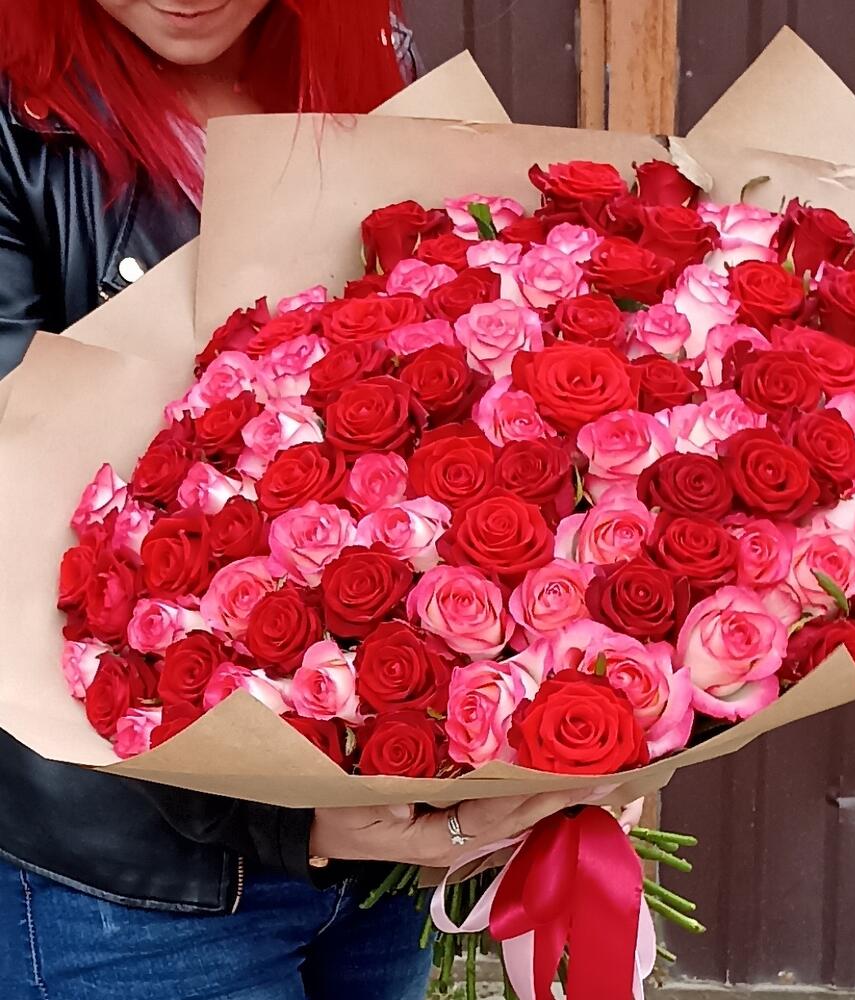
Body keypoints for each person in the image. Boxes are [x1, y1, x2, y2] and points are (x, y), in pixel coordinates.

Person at [0, 3, 599, 997]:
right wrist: (287, 817)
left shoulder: (370, 57)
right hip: (136, 894)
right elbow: (15, 528)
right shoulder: (14, 118)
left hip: (381, 859)